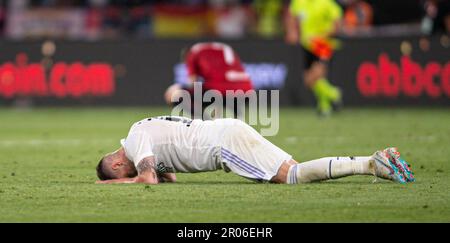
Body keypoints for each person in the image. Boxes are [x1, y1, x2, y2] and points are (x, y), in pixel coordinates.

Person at [96, 116, 415, 185]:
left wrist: (111, 185)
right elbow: (169, 178)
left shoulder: (136, 143)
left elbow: (148, 179)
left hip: (224, 145)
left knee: (293, 177)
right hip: (227, 129)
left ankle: (371, 164)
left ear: (117, 163)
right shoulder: (140, 129)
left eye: (123, 171)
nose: (130, 172)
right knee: (297, 170)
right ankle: (372, 162)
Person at [164, 42, 253, 119]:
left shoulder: (193, 53)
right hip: (246, 90)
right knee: (221, 93)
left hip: (221, 90)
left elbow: (192, 82)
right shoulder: (223, 48)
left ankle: (206, 123)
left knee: (173, 93)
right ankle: (238, 122)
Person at [285, 0, 343, 116]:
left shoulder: (326, 3)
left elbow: (337, 22)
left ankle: (327, 102)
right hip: (307, 45)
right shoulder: (298, 2)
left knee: (317, 75)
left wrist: (324, 34)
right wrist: (292, 32)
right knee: (309, 81)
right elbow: (291, 17)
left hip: (322, 45)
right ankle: (331, 96)